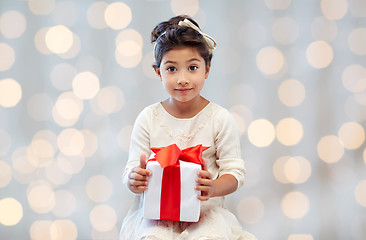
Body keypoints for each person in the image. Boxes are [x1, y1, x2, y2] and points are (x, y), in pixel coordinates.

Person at [120, 15, 257, 240]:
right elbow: (131, 169)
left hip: (205, 215)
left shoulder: (220, 118)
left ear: (207, 68)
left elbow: (235, 173)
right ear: (158, 72)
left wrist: (212, 186)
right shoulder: (148, 117)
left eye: (192, 67)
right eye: (172, 69)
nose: (182, 79)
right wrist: (135, 178)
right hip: (156, 216)